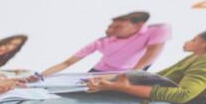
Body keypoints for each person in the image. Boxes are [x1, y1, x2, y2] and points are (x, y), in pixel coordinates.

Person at [86, 27, 206, 104]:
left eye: (194, 39)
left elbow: (183, 95)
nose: (187, 42)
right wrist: (113, 79)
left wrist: (124, 87)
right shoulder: (201, 55)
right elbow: (160, 76)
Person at [40, 12, 169, 77]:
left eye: (118, 27)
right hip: (99, 72)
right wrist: (41, 76)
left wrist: (132, 74)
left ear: (138, 26)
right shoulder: (101, 42)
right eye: (110, 27)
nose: (110, 30)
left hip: (128, 74)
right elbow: (67, 63)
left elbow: (152, 52)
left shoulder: (155, 31)